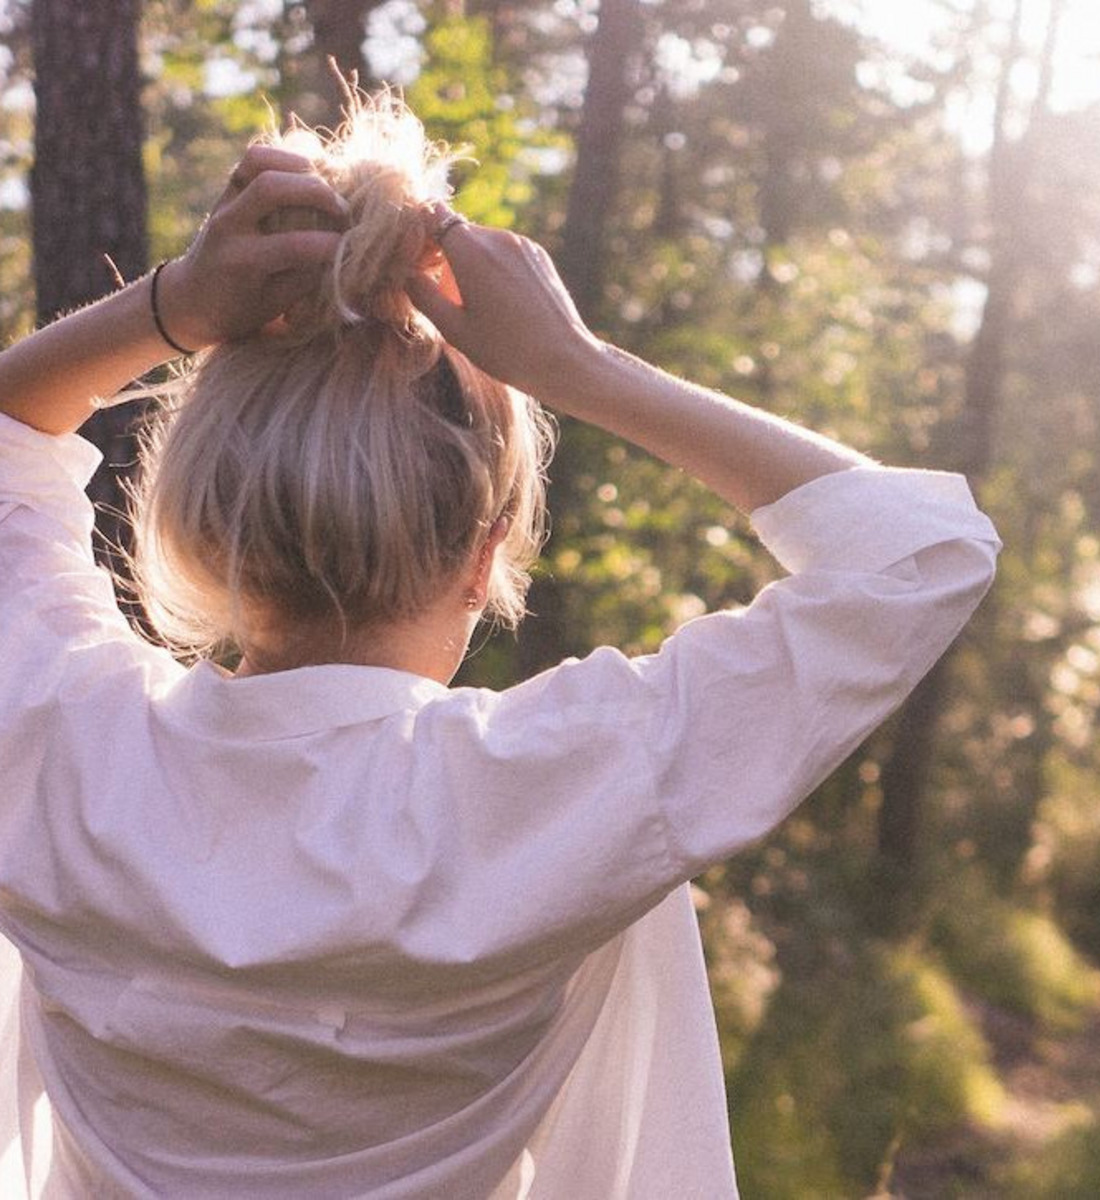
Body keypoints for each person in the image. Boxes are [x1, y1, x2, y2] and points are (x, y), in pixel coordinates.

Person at [0, 95, 999, 1198]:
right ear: (484, 555)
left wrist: (175, 304)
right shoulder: (544, 791)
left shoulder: (60, 751)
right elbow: (920, 553)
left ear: (200, 513)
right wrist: (577, 366)